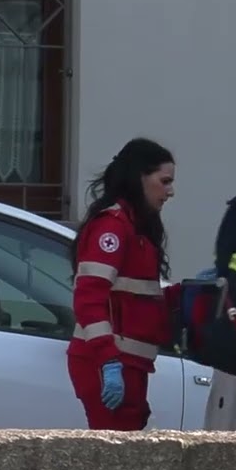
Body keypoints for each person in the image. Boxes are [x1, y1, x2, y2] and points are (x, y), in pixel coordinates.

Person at [67, 138, 180, 431]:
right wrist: (108, 361)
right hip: (108, 364)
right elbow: (89, 298)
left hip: (127, 365)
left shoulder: (135, 228)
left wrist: (188, 293)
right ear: (140, 177)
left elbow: (137, 299)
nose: (171, 191)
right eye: (164, 181)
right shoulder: (114, 227)